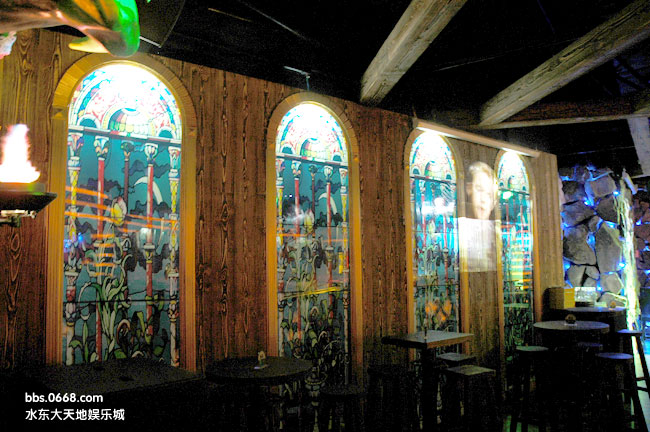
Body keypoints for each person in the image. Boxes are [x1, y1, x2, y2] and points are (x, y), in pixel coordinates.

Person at [462, 161, 497, 271]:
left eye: (489, 194)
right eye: (479, 190)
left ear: (493, 203)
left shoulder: (497, 235)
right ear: (468, 189)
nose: (483, 200)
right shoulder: (458, 230)